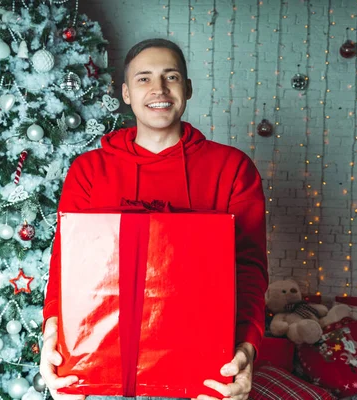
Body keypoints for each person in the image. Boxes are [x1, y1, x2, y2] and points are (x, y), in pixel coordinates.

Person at [40, 38, 268, 400]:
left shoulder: (232, 168)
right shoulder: (89, 170)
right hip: (102, 376)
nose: (159, 89)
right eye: (144, 79)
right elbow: (65, 265)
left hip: (201, 377)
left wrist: (247, 349)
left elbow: (250, 269)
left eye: (171, 76)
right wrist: (52, 333)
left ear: (187, 88)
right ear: (126, 93)